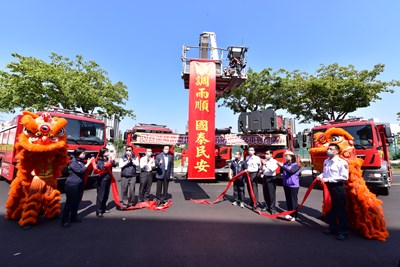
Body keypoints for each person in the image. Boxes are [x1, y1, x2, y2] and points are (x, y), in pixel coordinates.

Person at [317, 143, 349, 240]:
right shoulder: (326, 161)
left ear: (336, 151)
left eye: (330, 149)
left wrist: (329, 179)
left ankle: (343, 231)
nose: (328, 150)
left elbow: (344, 177)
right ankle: (332, 228)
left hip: (337, 187)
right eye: (328, 148)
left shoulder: (341, 162)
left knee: (340, 209)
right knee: (329, 208)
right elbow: (325, 172)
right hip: (327, 187)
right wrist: (320, 176)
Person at [61, 147, 94, 227]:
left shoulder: (80, 161)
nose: (84, 155)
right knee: (70, 203)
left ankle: (73, 217)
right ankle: (64, 220)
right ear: (78, 154)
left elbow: (85, 170)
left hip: (79, 184)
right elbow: (80, 171)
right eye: (83, 153)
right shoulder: (73, 162)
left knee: (76, 202)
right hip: (72, 185)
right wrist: (88, 163)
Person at [277, 150, 300, 221]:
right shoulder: (286, 164)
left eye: (287, 156)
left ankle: (295, 215)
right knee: (288, 200)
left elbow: (290, 172)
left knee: (293, 201)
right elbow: (282, 171)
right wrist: (281, 166)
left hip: (293, 185)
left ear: (291, 157)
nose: (286, 157)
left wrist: (282, 166)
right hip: (286, 184)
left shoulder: (296, 165)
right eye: (285, 156)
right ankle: (290, 213)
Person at [95, 147, 115, 217]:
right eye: (106, 152)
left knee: (106, 194)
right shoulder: (99, 160)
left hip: (108, 178)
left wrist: (112, 161)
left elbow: (113, 165)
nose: (108, 153)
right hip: (102, 179)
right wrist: (109, 162)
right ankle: (98, 210)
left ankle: (103, 208)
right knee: (101, 195)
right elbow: (103, 168)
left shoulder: (107, 159)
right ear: (103, 153)